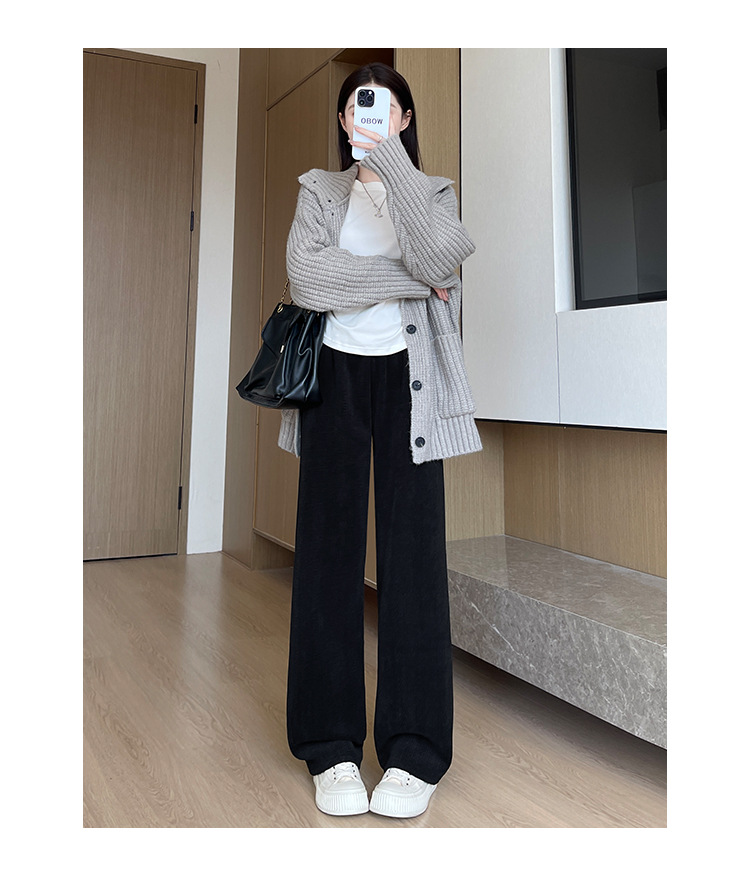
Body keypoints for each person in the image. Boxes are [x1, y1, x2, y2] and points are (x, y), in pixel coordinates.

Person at [278, 62, 481, 819]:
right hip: (332, 378)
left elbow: (440, 258)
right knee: (326, 557)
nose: (370, 115)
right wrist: (406, 280)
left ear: (403, 119)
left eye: (385, 107)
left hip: (410, 380)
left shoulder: (433, 194)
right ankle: (329, 746)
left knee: (414, 560)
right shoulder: (319, 191)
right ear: (343, 120)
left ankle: (414, 750)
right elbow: (309, 280)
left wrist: (392, 169)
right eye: (359, 107)